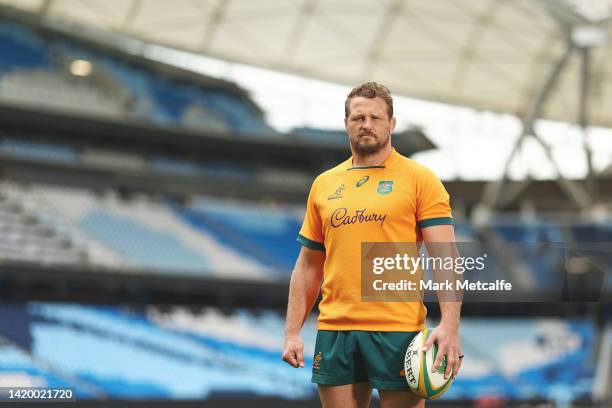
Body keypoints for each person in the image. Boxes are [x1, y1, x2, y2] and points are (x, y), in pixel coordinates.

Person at [282, 82, 462, 408]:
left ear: (391, 124)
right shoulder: (324, 184)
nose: (366, 124)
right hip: (336, 331)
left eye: (376, 118)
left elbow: (446, 258)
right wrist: (292, 332)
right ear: (347, 123)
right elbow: (308, 265)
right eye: (358, 117)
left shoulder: (420, 179)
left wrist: (449, 325)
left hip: (398, 331)